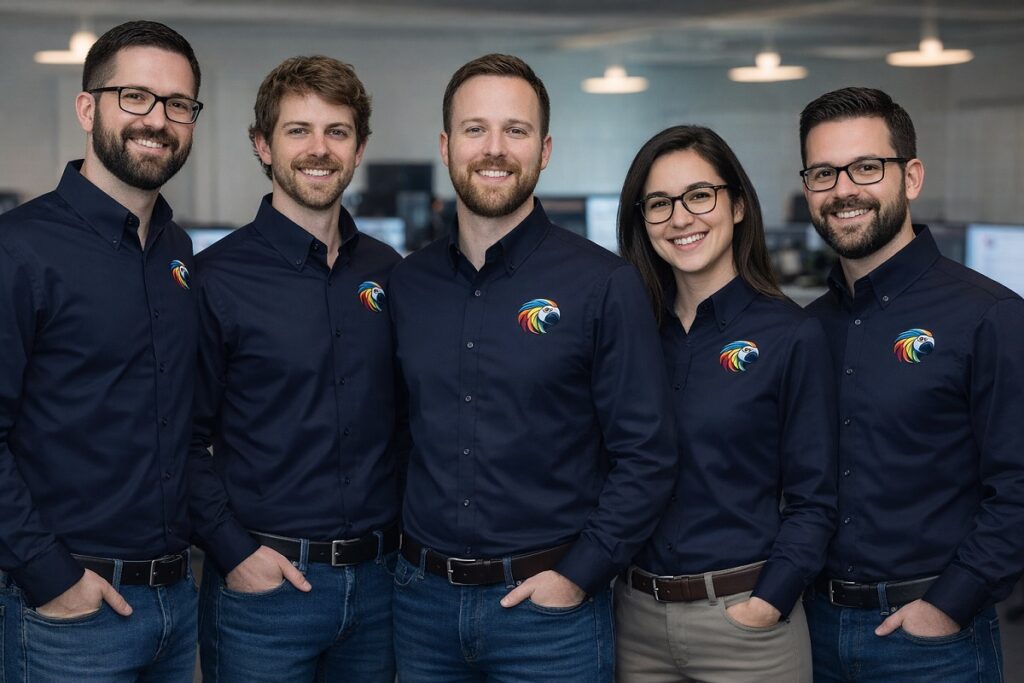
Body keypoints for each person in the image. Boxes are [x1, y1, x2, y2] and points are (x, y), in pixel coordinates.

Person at [387, 53, 677, 682]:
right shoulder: (407, 285)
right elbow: (396, 435)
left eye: (515, 131)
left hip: (549, 622)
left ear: (544, 150)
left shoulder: (604, 284)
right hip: (420, 609)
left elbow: (648, 455)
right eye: (475, 129)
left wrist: (578, 577)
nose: (495, 149)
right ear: (445, 145)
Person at [188, 55, 403, 681]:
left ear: (359, 148)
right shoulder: (216, 280)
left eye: (337, 131)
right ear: (263, 145)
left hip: (382, 588)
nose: (319, 149)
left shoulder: (393, 273)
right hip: (264, 593)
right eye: (297, 130)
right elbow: (178, 437)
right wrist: (234, 553)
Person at [799, 86, 1024, 682]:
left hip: (931, 644)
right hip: (809, 632)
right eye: (824, 173)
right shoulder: (806, 329)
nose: (844, 189)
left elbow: (1020, 483)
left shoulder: (988, 315)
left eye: (866, 167)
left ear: (912, 177)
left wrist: (949, 606)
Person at [0, 20, 202, 680]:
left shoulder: (178, 252)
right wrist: (49, 576)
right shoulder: (20, 249)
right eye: (135, 96)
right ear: (87, 107)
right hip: (69, 615)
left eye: (178, 104)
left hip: (177, 606)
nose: (158, 119)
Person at [614, 125, 837, 682]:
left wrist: (768, 603)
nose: (681, 218)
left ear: (737, 205)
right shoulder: (628, 333)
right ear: (642, 221)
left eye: (699, 196)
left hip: (747, 628)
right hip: (634, 623)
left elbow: (816, 498)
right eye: (659, 203)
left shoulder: (792, 335)